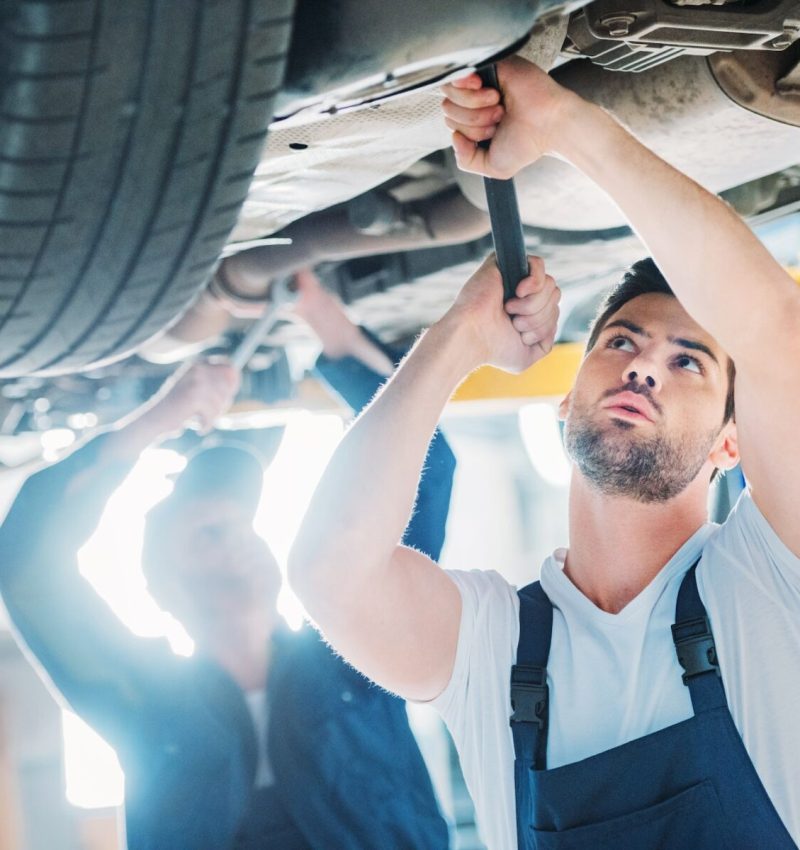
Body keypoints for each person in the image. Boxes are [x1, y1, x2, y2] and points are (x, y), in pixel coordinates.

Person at [288, 56, 800, 850]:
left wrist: (566, 124)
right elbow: (331, 572)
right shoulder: (497, 645)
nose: (640, 365)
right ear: (566, 399)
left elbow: (778, 333)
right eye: (622, 341)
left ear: (734, 442)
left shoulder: (771, 587)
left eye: (688, 361)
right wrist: (458, 336)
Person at [0, 270, 455, 850]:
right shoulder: (138, 694)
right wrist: (160, 418)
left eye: (241, 524)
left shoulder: (357, 654)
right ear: (163, 580)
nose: (237, 539)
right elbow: (25, 566)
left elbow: (423, 466)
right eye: (209, 531)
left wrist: (324, 320)